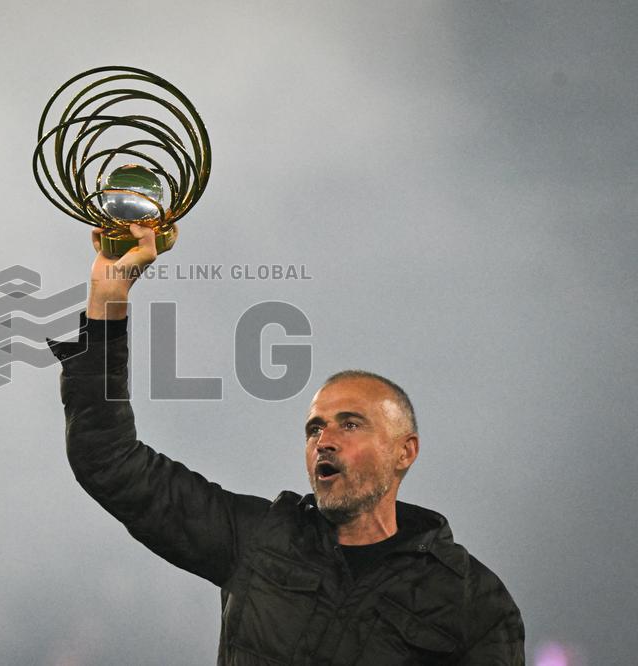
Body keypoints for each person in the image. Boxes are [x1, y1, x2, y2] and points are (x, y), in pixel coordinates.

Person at [47, 223, 525, 665]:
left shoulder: (472, 599)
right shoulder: (258, 538)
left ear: (406, 451)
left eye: (350, 425)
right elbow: (107, 460)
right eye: (314, 429)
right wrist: (108, 296)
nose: (324, 441)